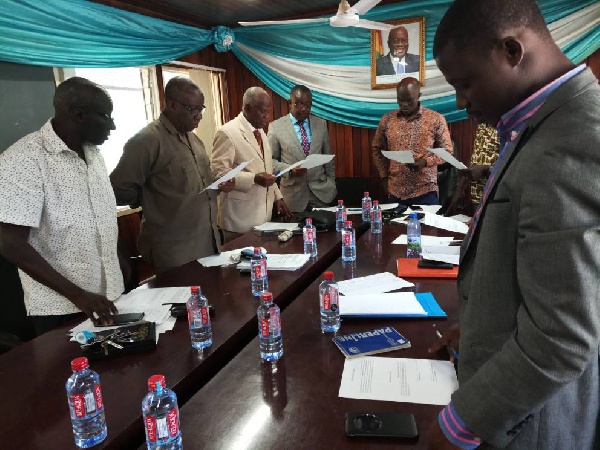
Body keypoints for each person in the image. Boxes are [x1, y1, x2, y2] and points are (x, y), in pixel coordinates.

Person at [428, 0, 600, 449]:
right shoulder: (538, 123)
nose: (462, 103)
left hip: (531, 425)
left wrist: (459, 428)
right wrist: (484, 323)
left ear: (511, 51)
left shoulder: (572, 139)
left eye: (465, 84)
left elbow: (561, 337)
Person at [0, 77, 125, 335]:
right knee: (72, 374)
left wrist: (117, 258)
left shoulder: (93, 154)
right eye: (106, 116)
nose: (112, 125)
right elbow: (9, 242)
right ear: (78, 115)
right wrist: (78, 295)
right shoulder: (24, 159)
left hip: (106, 296)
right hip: (60, 307)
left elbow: (98, 218)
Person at [110, 77, 233, 271]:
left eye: (201, 109)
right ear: (172, 105)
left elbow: (195, 185)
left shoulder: (195, 140)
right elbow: (117, 190)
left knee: (210, 298)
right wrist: (151, 195)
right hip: (175, 250)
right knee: (182, 301)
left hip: (207, 241)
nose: (198, 116)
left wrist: (219, 185)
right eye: (192, 109)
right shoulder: (147, 141)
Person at [211, 87, 291, 241]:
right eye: (263, 111)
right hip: (238, 220)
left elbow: (267, 169)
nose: (267, 117)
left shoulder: (260, 131)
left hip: (263, 217)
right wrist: (253, 179)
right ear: (248, 108)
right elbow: (218, 174)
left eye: (269, 112)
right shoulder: (227, 132)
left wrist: (277, 197)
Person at [372, 77, 453, 207]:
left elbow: (448, 151)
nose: (404, 104)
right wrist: (383, 177)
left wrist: (425, 162)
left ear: (419, 96)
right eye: (400, 100)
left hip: (425, 192)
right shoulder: (387, 120)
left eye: (409, 100)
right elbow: (376, 148)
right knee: (393, 228)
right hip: (395, 192)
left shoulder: (435, 119)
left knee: (426, 228)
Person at [268, 85, 336, 212]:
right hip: (292, 196)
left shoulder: (321, 124)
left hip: (321, 194)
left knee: (326, 231)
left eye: (308, 104)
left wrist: (332, 182)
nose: (304, 109)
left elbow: (328, 158)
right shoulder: (275, 127)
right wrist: (290, 170)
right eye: (299, 104)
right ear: (290, 103)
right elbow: (270, 162)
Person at [441, 123, 499, 216]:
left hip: (496, 198)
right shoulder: (482, 125)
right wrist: (459, 189)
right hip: (477, 197)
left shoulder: (507, 129)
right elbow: (476, 157)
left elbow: (513, 164)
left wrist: (487, 169)